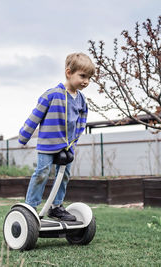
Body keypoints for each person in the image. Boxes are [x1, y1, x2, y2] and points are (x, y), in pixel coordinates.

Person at [18, 52, 95, 221]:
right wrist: (24, 136)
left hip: (67, 147)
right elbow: (35, 116)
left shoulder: (81, 100)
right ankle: (30, 207)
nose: (86, 81)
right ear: (69, 72)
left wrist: (74, 141)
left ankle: (56, 207)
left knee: (64, 176)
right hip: (47, 145)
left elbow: (82, 121)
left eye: (89, 78)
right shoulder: (52, 95)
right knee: (42, 173)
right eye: (82, 76)